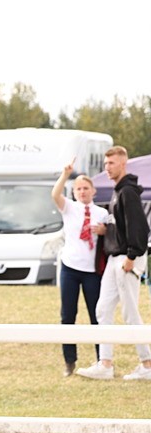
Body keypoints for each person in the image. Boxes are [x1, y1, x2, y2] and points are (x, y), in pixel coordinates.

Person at [78, 146, 151, 380]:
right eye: (105, 164)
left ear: (123, 164)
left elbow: (140, 228)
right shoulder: (118, 191)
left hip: (126, 258)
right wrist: (107, 229)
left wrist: (131, 256)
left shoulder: (128, 192)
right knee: (103, 309)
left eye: (111, 163)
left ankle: (147, 364)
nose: (106, 168)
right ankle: (105, 363)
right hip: (115, 257)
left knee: (130, 313)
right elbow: (123, 225)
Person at [52, 162, 109, 377]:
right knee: (68, 314)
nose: (83, 192)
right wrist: (64, 175)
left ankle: (100, 360)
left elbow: (111, 237)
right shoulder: (69, 208)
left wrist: (104, 231)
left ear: (93, 191)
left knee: (96, 314)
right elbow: (55, 195)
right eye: (78, 189)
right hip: (70, 267)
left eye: (86, 188)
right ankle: (69, 360)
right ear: (74, 192)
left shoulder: (101, 212)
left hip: (91, 270)